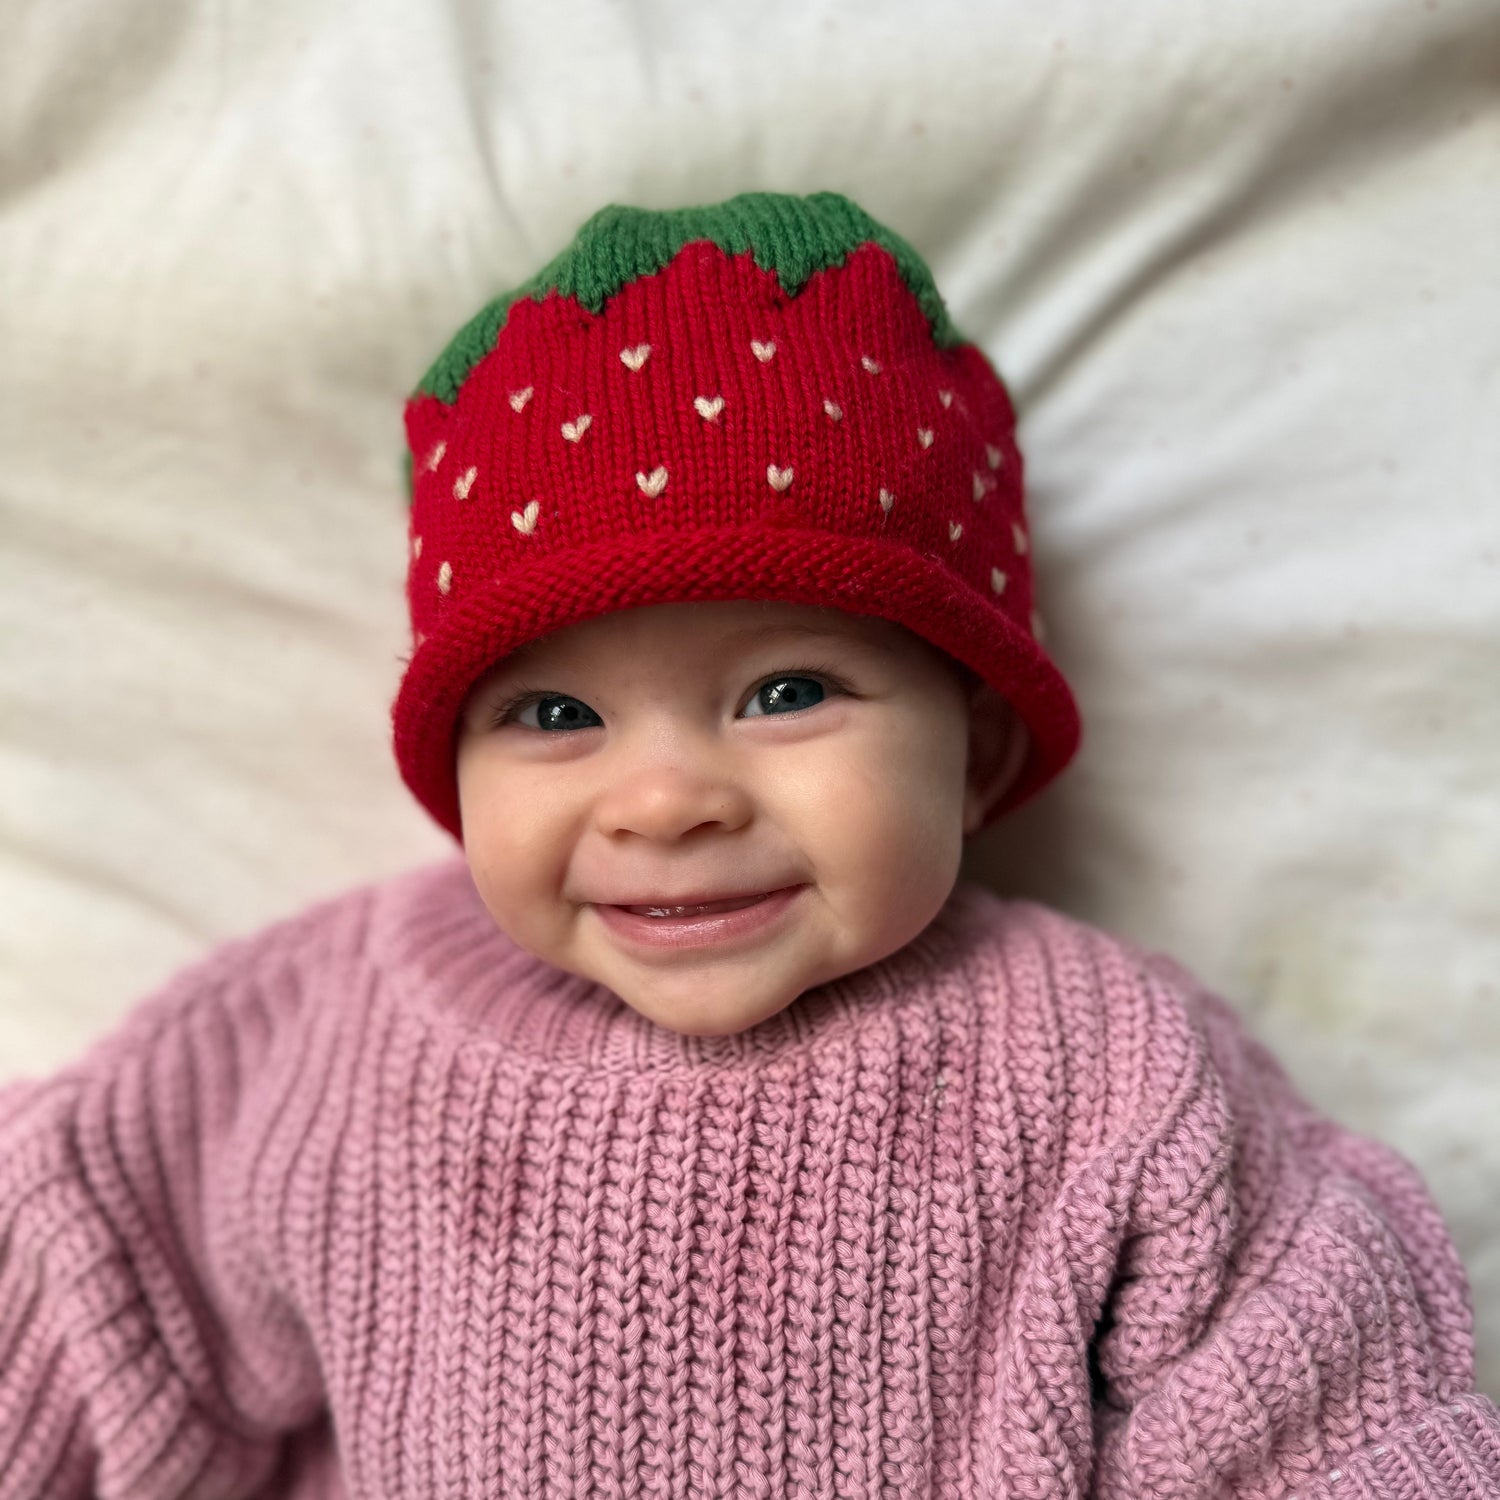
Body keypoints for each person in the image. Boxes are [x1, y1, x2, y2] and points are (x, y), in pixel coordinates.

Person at [1, 190, 1495, 1500]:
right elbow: (76, 1298)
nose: (664, 801)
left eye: (787, 693)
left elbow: (1326, 1416)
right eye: (555, 714)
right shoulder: (319, 1035)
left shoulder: (1107, 1067)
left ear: (972, 755)